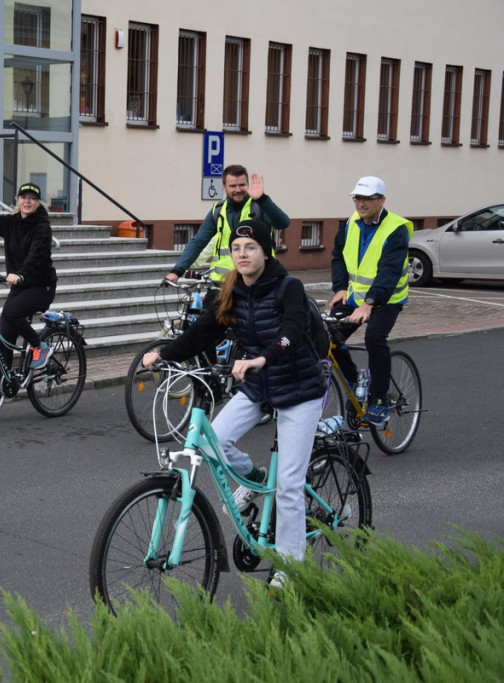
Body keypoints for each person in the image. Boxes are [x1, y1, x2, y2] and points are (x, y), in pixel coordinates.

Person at [143, 219, 326, 584]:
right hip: (260, 386)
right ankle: (256, 478)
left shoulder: (288, 287)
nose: (242, 255)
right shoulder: (232, 290)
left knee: (289, 485)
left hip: (299, 388)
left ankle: (291, 567)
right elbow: (203, 332)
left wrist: (264, 358)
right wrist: (166, 353)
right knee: (213, 442)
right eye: (236, 249)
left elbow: (292, 331)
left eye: (250, 248)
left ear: (265, 251)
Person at [330, 176, 413, 427]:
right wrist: (340, 288)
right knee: (328, 336)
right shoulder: (350, 223)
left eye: (368, 198)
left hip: (387, 298)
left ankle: (378, 401)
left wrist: (370, 303)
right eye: (358, 198)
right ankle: (354, 382)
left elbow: (388, 271)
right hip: (355, 296)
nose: (361, 203)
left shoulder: (396, 229)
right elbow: (338, 258)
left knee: (374, 338)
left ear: (382, 200)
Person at [0, 172, 57, 407]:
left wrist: (20, 274)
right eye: (23, 197)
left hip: (41, 286)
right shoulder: (11, 223)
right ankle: (3, 385)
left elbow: (36, 256)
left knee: (11, 314)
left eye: (32, 198)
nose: (27, 201)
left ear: (39, 202)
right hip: (20, 285)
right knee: (5, 335)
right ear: (17, 200)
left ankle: (40, 346)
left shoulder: (42, 226)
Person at [166, 164, 290, 286]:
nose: (238, 190)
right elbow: (198, 242)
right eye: (233, 186)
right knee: (208, 306)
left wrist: (262, 199)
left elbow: (283, 223)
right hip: (222, 282)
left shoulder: (259, 206)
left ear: (247, 185)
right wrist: (177, 271)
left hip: (256, 280)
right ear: (224, 187)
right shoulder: (218, 210)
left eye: (242, 185)